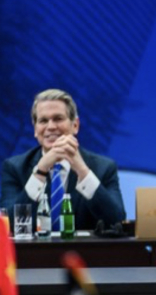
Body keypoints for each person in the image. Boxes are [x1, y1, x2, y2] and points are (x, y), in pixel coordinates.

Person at [1, 89, 125, 230]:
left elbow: (117, 221)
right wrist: (40, 172)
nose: (51, 127)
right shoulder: (15, 168)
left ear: (75, 125)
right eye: (43, 121)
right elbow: (8, 226)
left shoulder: (104, 168)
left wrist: (82, 171)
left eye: (58, 119)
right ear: (35, 129)